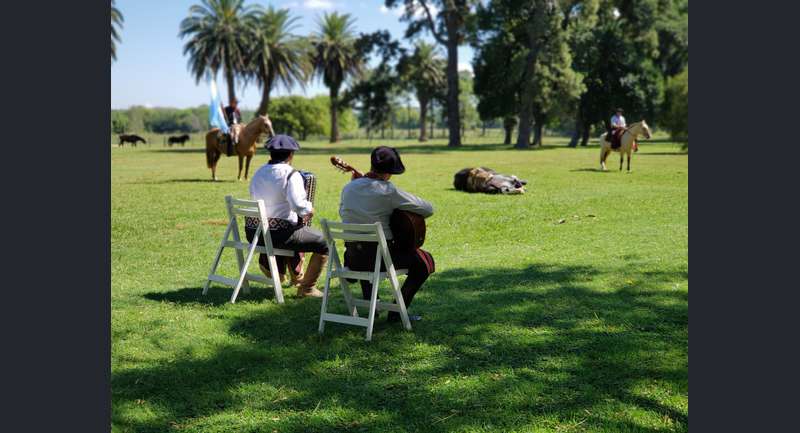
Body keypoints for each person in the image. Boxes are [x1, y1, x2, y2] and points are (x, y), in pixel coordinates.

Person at [339, 146, 435, 322]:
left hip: (353, 258)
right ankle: (397, 312)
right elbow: (428, 209)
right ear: (390, 172)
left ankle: (372, 308)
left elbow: (345, 213)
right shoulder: (388, 191)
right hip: (380, 259)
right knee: (424, 263)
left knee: (367, 248)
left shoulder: (349, 188)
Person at [246, 134, 328, 298]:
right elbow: (299, 206)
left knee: (294, 228)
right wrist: (309, 209)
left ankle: (278, 267)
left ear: (270, 154)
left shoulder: (258, 172)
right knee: (325, 242)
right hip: (279, 235)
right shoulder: (291, 174)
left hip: (254, 233)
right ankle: (307, 288)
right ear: (291, 155)